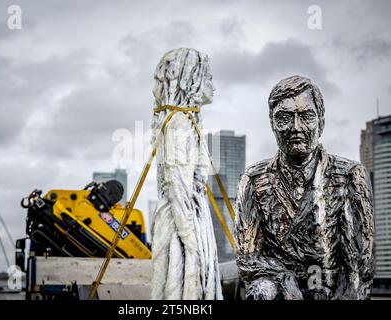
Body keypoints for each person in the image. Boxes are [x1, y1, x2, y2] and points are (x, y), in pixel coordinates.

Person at [234, 75, 374, 300]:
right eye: (284, 118)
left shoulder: (349, 176)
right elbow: (248, 258)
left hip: (332, 287)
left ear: (321, 122)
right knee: (262, 291)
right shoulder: (253, 179)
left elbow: (359, 265)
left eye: (306, 116)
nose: (295, 128)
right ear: (272, 124)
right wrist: (284, 279)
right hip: (278, 288)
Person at [150, 48, 223, 300]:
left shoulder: (183, 120)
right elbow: (177, 186)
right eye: (208, 78)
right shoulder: (180, 123)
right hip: (181, 226)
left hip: (186, 218)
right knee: (184, 290)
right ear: (191, 80)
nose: (213, 86)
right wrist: (192, 245)